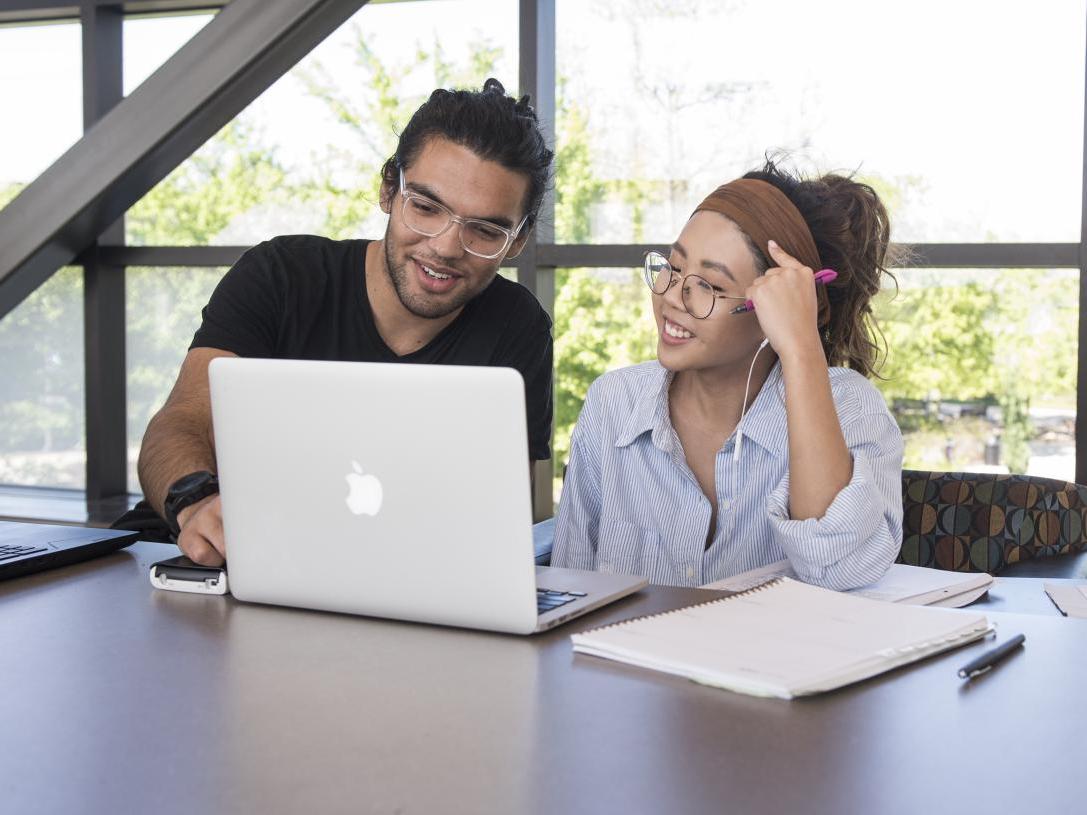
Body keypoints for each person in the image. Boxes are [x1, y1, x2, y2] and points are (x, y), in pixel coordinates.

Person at [124, 78, 554, 567]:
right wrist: (196, 503)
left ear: (517, 242)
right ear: (389, 190)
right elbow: (181, 423)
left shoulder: (518, 326)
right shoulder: (281, 275)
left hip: (383, 581)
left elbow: (493, 519)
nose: (445, 246)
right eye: (427, 208)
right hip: (195, 558)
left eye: (485, 229)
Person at [551, 160, 903, 590]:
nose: (673, 297)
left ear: (773, 306)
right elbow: (569, 585)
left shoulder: (849, 405)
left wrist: (801, 345)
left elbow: (840, 568)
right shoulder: (613, 402)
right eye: (674, 268)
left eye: (711, 286)